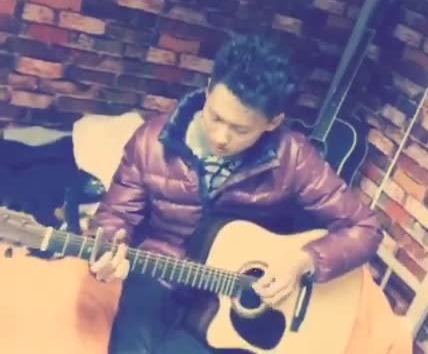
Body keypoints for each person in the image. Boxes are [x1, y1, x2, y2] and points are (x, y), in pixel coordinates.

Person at [88, 32, 384, 354]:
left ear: (273, 122)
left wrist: (304, 261)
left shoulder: (294, 156)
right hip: (158, 279)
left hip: (236, 305)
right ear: (208, 89)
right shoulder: (151, 141)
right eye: (215, 117)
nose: (221, 137)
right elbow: (114, 216)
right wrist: (109, 247)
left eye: (241, 129)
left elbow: (365, 228)